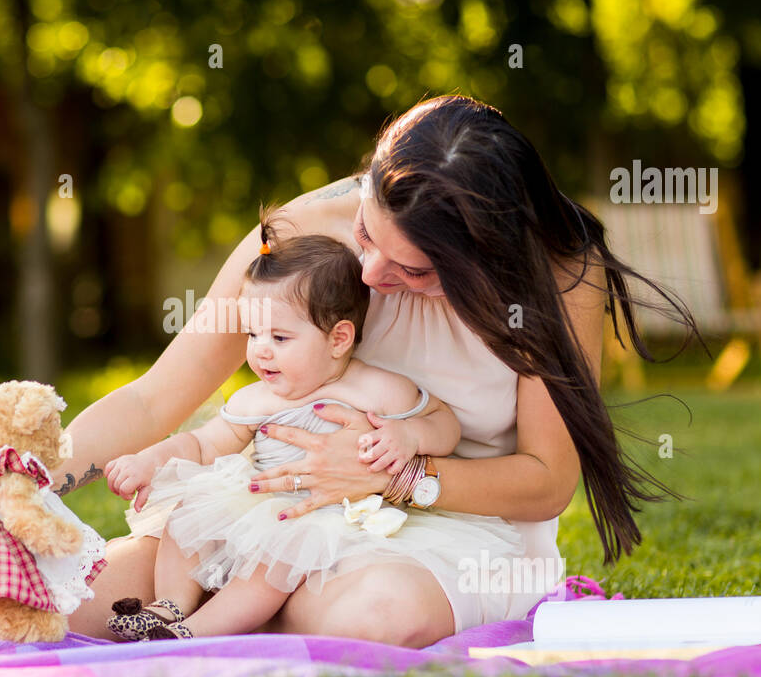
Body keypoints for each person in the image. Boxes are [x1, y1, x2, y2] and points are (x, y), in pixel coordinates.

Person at [0, 95, 701, 647]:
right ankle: (217, 613)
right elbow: (157, 398)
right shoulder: (299, 242)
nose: (372, 274)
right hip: (264, 518)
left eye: (415, 270)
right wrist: (35, 477)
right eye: (367, 233)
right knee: (58, 603)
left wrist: (397, 477)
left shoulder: (560, 277)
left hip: (455, 538)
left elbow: (544, 483)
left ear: (488, 259)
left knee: (376, 618)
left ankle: (216, 621)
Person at [99, 223, 524, 641]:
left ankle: (195, 632)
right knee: (185, 515)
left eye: (280, 336)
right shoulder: (257, 400)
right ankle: (170, 604)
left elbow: (443, 421)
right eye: (253, 332)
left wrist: (410, 437)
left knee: (274, 562)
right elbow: (203, 442)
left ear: (339, 339)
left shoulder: (375, 389)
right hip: (259, 504)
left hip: (323, 518)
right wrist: (149, 460)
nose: (260, 349)